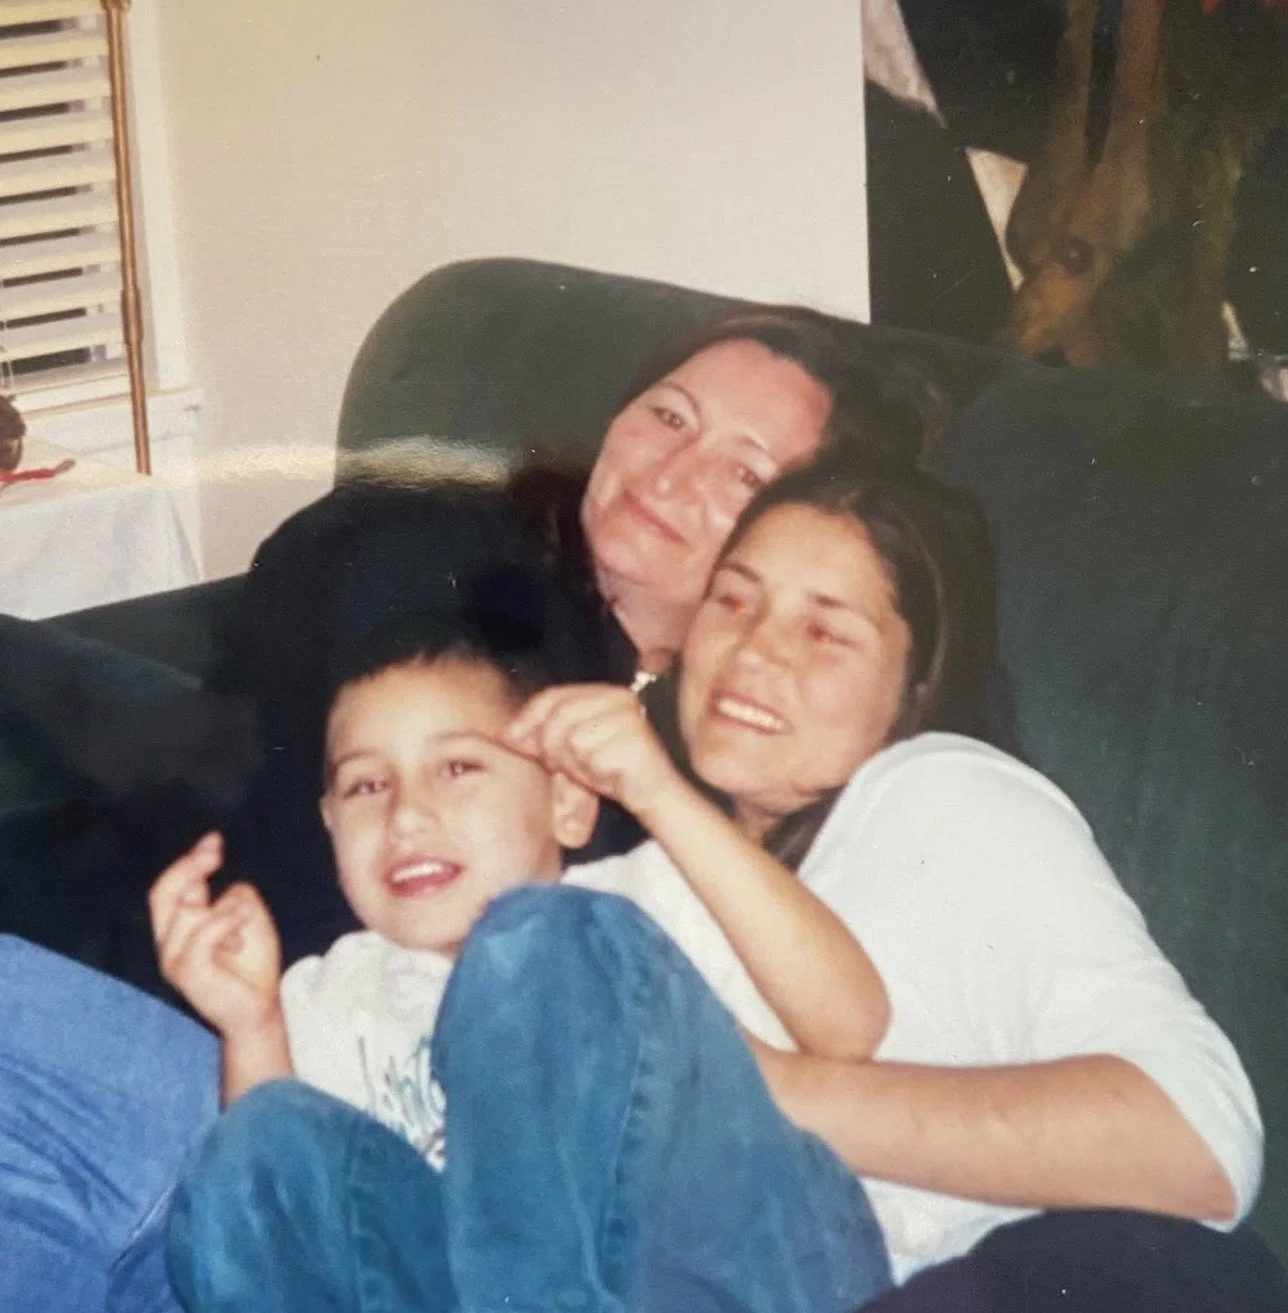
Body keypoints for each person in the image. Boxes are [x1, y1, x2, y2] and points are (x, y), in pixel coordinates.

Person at [0, 306, 932, 1313]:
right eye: (667, 416)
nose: (670, 473)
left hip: (237, 1118)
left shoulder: (708, 784)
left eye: (742, 470)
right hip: (195, 1057)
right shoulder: (457, 563)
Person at [163, 460, 1262, 1313]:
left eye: (823, 628)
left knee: (542, 946)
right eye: (731, 604)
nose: (751, 651)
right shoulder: (642, 876)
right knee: (253, 1155)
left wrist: (698, 1072)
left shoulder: (939, 793)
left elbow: (1206, 1142)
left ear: (917, 677)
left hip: (818, 1265)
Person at [152, 583, 894, 1313]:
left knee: (534, 940)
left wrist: (658, 790)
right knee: (254, 1143)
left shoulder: (642, 901)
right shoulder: (333, 996)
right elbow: (290, 1220)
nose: (407, 815)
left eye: (458, 767)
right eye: (367, 785)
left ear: (567, 799)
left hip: (740, 1274)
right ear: (330, 827)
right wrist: (249, 1024)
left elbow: (848, 1022)